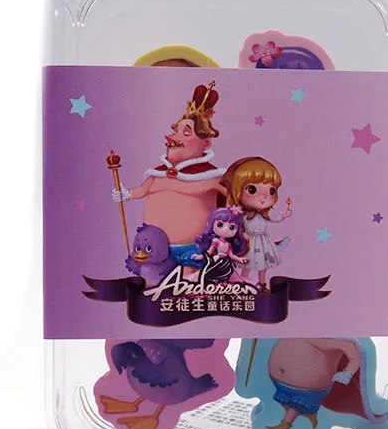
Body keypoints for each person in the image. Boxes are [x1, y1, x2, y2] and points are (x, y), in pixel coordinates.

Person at [111, 82, 226, 269]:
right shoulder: (158, 173)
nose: (173, 138)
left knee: (189, 279)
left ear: (205, 144)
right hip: (155, 252)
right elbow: (143, 189)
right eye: (175, 131)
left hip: (194, 250)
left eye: (185, 133)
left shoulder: (212, 176)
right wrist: (126, 193)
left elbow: (234, 200)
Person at [219, 157, 291, 292]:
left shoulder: (263, 214)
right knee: (248, 264)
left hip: (263, 241)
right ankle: (242, 283)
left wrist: (283, 215)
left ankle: (262, 284)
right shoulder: (242, 213)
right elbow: (235, 223)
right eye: (252, 190)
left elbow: (274, 219)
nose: (264, 197)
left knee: (263, 265)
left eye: (271, 191)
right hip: (249, 241)